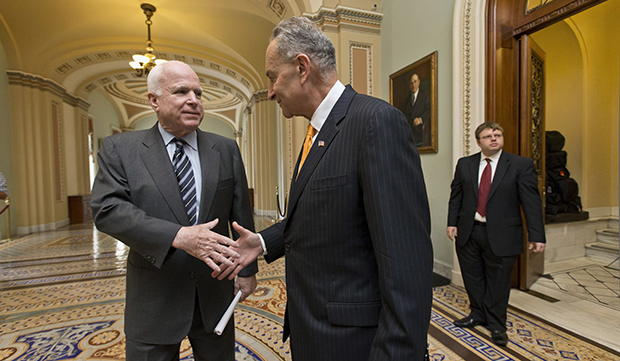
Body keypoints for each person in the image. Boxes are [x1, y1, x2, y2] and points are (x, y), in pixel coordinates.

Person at [216, 17, 433, 360]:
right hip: (312, 329)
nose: (270, 90)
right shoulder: (314, 134)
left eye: (272, 77)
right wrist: (260, 242)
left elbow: (406, 262)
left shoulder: (375, 123)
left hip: (353, 341)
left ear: (302, 67)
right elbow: (322, 213)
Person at [91, 61, 258, 361]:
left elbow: (240, 216)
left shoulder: (225, 149)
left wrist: (246, 271)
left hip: (214, 293)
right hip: (154, 295)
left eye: (198, 92)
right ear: (153, 100)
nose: (193, 99)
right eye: (181, 91)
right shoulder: (120, 149)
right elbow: (108, 209)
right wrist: (178, 236)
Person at [446, 121, 546, 346]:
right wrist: (452, 223)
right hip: (469, 232)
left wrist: (537, 234)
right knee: (473, 277)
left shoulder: (520, 165)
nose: (494, 138)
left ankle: (497, 324)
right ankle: (477, 314)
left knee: (499, 282)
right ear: (478, 141)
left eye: (497, 135)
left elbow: (531, 202)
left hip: (503, 234)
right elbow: (457, 197)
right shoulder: (465, 164)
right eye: (488, 136)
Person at [403, 74, 431, 147]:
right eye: (411, 83)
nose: (413, 85)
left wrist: (421, 119)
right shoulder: (407, 100)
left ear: (419, 82)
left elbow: (429, 110)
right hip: (410, 134)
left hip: (420, 132)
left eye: (415, 82)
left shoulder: (425, 96)